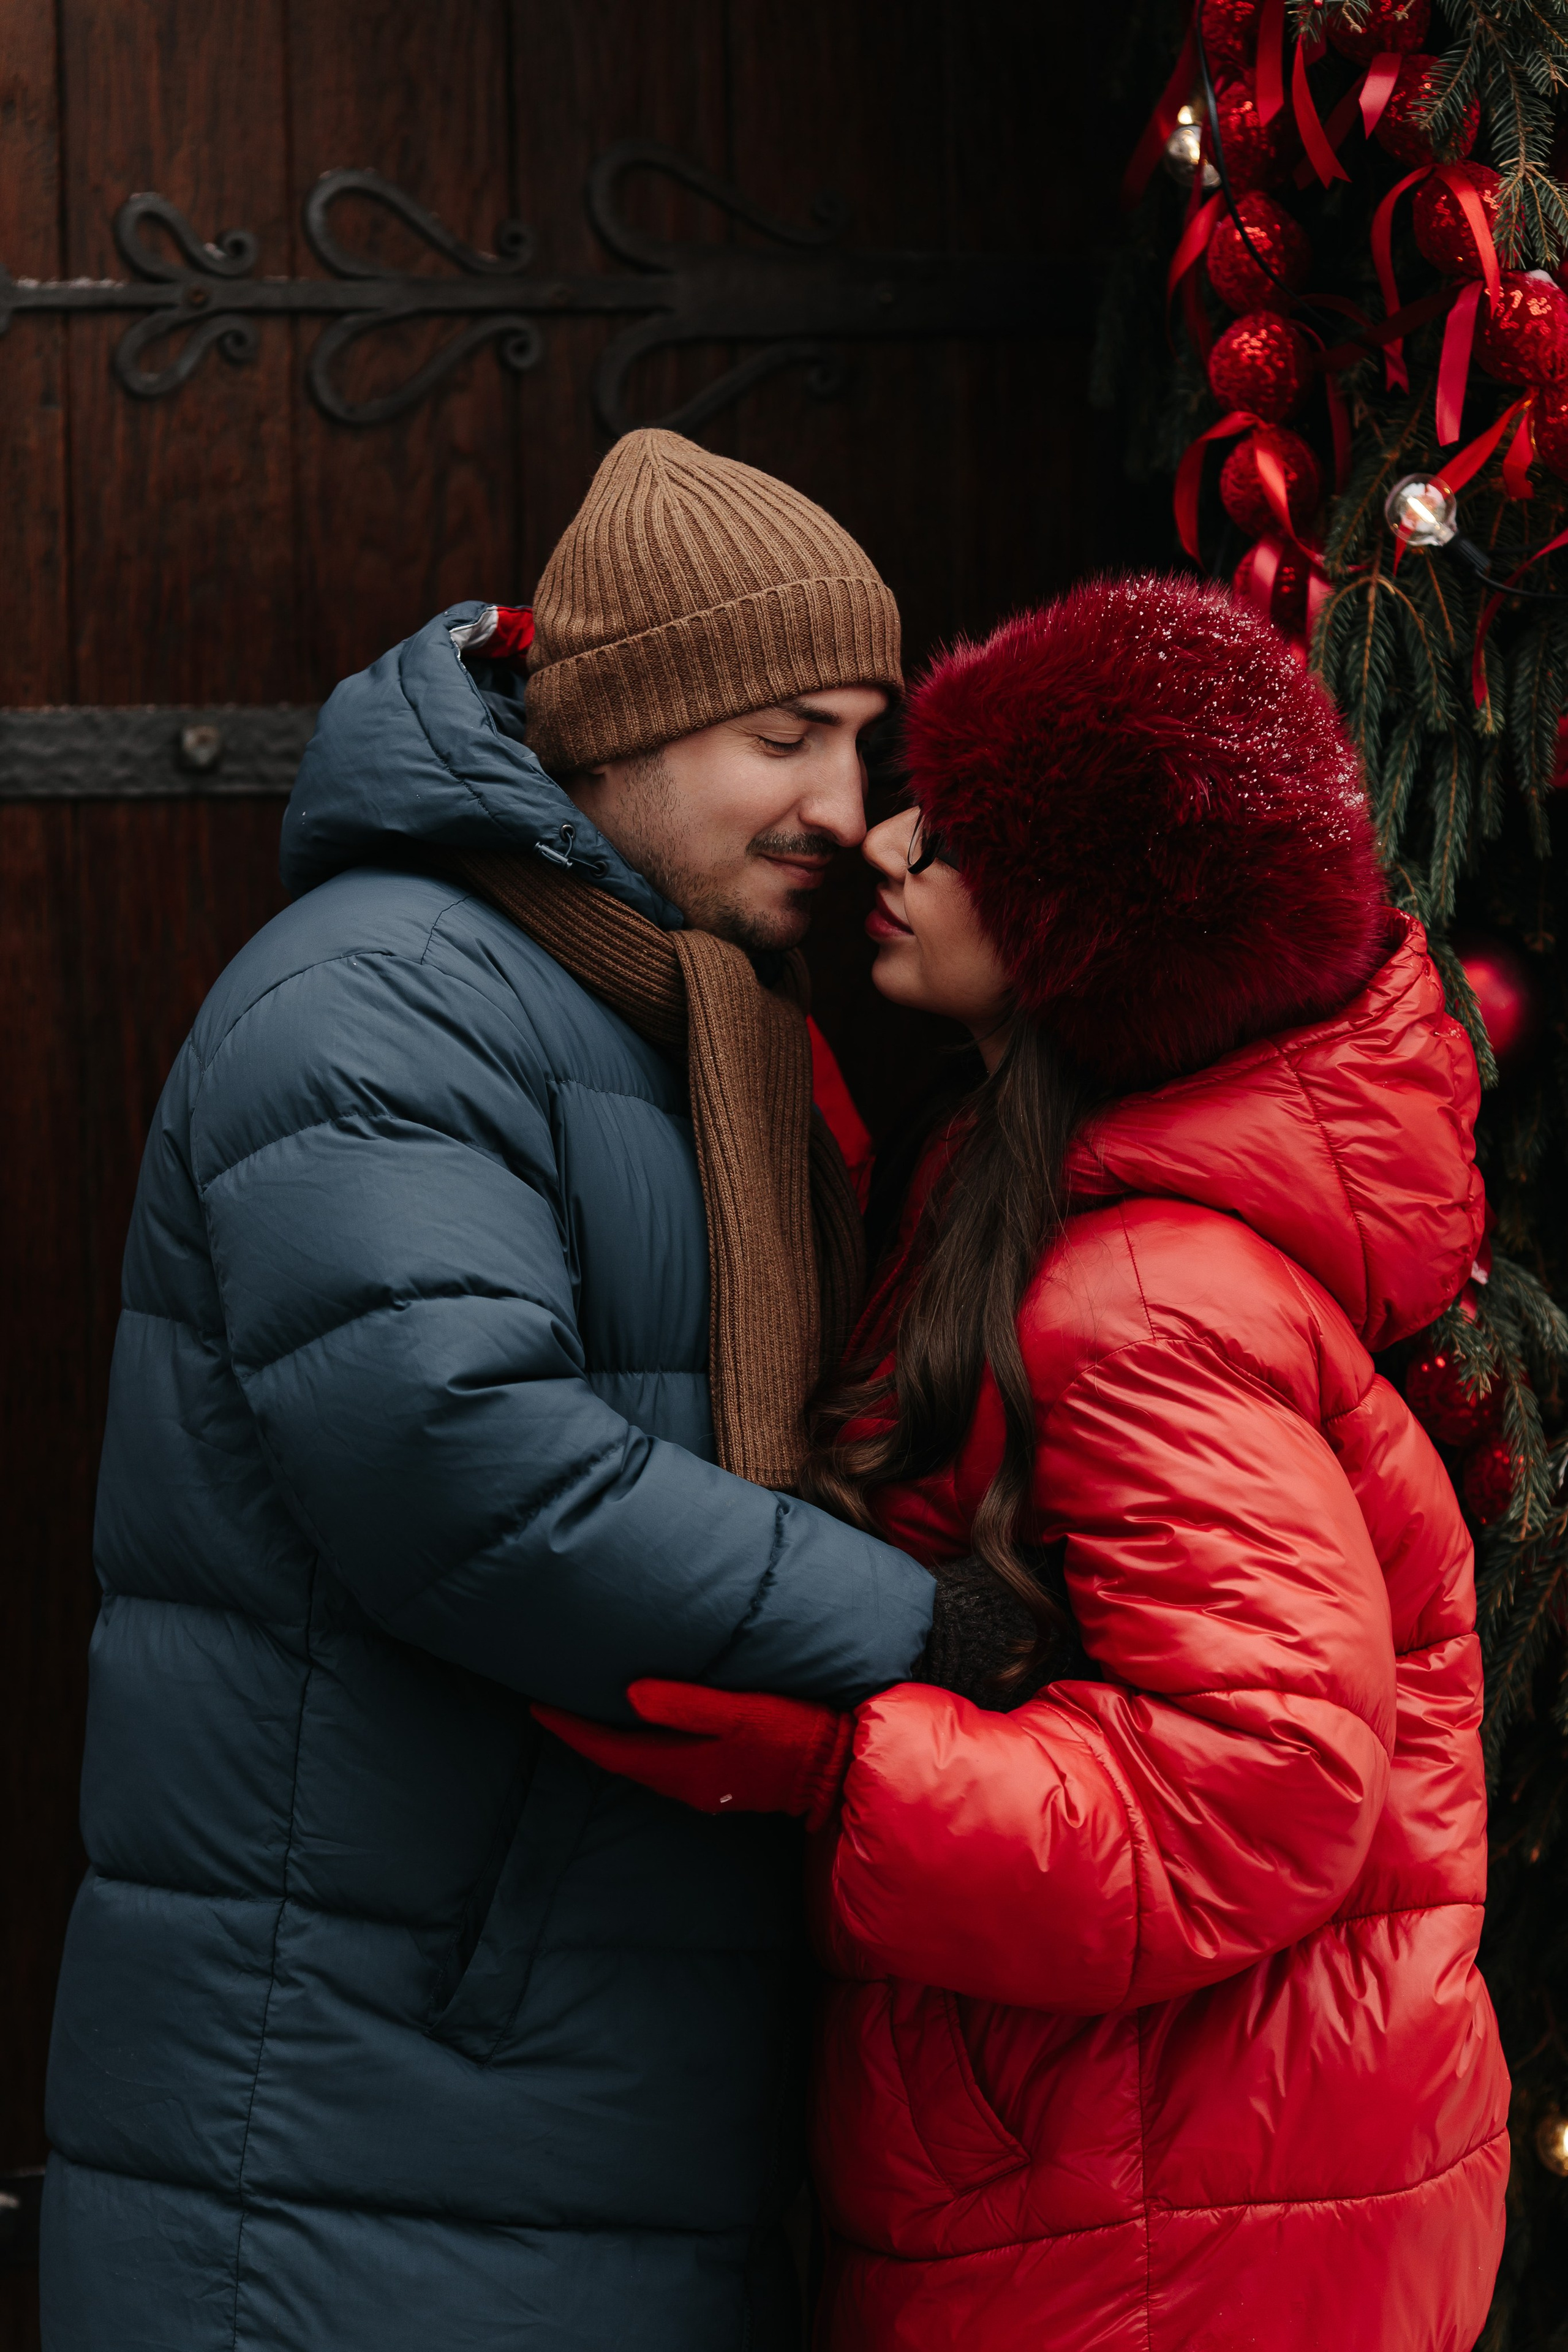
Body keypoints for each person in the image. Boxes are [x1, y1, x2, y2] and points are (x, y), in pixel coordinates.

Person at [39, 431, 962, 2352]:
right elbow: (472, 1469)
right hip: (359, 2102)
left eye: (866, 744)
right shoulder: (388, 994)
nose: (842, 805)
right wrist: (944, 1640)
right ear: (617, 723)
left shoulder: (666, 1014)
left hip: (560, 2077)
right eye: (785, 733)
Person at [540, 576, 1512, 2352]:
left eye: (972, 834)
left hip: (1179, 2217)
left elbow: (1259, 1785)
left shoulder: (1145, 1292)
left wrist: (845, 1770)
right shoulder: (996, 1198)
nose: (890, 838)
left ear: (1101, 932)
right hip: (1121, 2169)